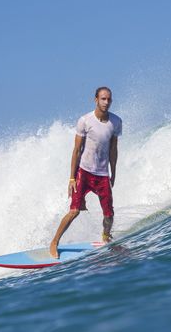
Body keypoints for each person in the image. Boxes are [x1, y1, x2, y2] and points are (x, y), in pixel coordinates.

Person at [49, 86, 122, 259]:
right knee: (74, 211)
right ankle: (54, 242)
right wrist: (72, 177)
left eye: (109, 99)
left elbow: (113, 149)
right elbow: (76, 150)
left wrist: (114, 172)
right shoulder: (85, 121)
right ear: (95, 99)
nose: (106, 102)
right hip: (84, 172)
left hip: (102, 174)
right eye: (103, 99)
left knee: (109, 215)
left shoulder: (116, 122)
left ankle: (106, 237)